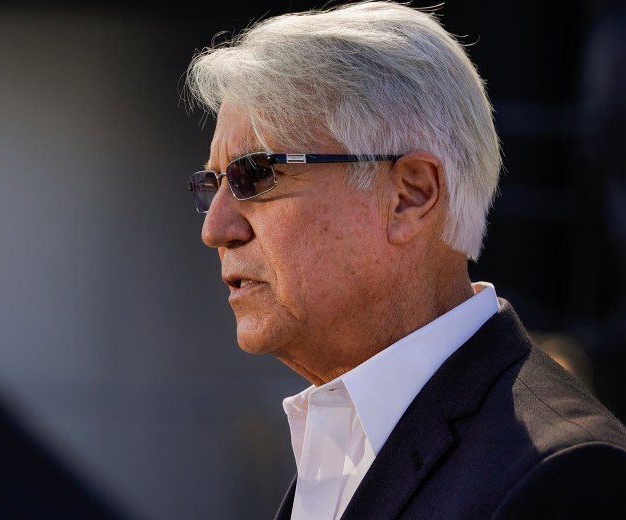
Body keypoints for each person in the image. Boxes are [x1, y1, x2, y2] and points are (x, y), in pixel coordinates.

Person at [183, 1, 626, 519]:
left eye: (254, 175)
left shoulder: (563, 476)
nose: (216, 229)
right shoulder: (342, 436)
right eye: (211, 185)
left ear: (410, 196)